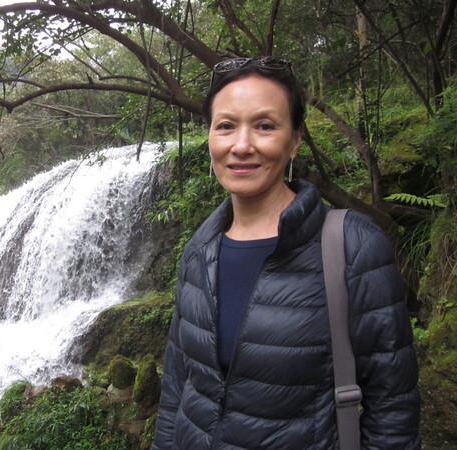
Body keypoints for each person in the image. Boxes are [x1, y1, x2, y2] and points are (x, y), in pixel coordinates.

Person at [152, 56, 420, 449]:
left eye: (264, 126)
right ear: (209, 136)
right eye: (225, 126)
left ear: (294, 140)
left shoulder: (350, 246)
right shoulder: (199, 250)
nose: (241, 145)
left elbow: (392, 407)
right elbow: (177, 389)